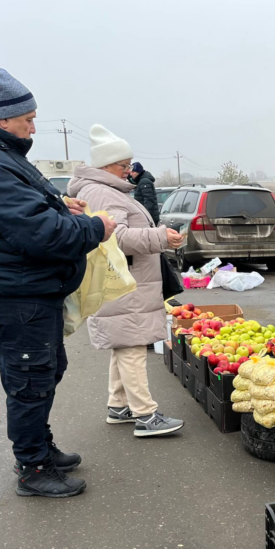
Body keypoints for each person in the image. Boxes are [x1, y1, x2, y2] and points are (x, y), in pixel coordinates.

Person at [0, 67, 117, 499]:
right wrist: (95, 226)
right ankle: (33, 467)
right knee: (30, 378)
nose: (33, 126)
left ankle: (41, 447)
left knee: (46, 370)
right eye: (28, 118)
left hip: (25, 290)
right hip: (15, 293)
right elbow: (40, 235)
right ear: (1, 118)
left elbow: (25, 212)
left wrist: (58, 203)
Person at [69, 126, 185, 437]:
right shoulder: (101, 192)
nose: (129, 170)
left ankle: (118, 406)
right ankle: (146, 416)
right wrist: (160, 237)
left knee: (124, 344)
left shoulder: (106, 190)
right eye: (124, 164)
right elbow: (114, 237)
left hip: (129, 281)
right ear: (107, 165)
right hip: (127, 283)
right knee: (132, 346)